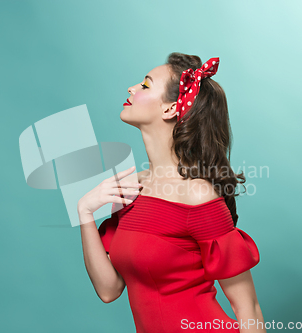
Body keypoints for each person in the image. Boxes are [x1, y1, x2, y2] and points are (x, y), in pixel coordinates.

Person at [77, 52, 266, 333]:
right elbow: (109, 289)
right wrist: (85, 212)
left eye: (145, 85)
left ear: (169, 109)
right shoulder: (133, 188)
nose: (131, 88)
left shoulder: (198, 196)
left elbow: (247, 308)